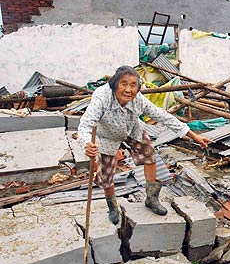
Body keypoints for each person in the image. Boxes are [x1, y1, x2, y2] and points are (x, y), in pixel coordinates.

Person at [78, 66, 211, 224]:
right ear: (114, 84)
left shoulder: (137, 100)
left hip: (132, 128)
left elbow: (163, 116)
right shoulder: (101, 98)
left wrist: (194, 135)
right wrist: (87, 143)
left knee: (149, 154)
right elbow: (85, 125)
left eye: (133, 85)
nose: (128, 90)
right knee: (106, 175)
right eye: (124, 84)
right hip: (107, 135)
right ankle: (112, 205)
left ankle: (151, 198)